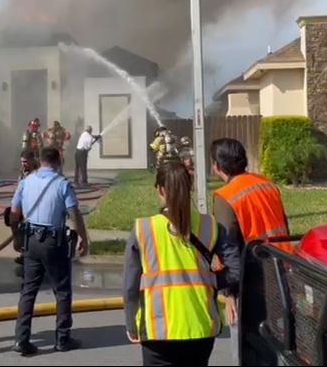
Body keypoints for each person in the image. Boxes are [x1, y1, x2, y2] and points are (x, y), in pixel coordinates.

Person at [123, 162, 241, 367]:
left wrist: (131, 323)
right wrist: (212, 279)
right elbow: (236, 269)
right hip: (201, 327)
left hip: (158, 330)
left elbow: (130, 287)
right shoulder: (210, 225)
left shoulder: (143, 229)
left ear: (160, 190)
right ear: (191, 187)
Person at [209, 138, 292, 365]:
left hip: (254, 279)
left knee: (254, 348)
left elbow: (228, 249)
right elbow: (283, 225)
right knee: (278, 342)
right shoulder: (266, 183)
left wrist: (228, 295)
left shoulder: (225, 197)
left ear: (217, 166)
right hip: (283, 269)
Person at [9, 146, 90, 356]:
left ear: (40, 160)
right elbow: (74, 213)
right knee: (62, 290)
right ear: (59, 161)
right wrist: (83, 237)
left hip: (31, 242)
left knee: (28, 291)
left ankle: (21, 339)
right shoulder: (62, 185)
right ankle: (62, 339)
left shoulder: (26, 182)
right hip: (54, 242)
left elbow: (14, 213)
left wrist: (17, 238)